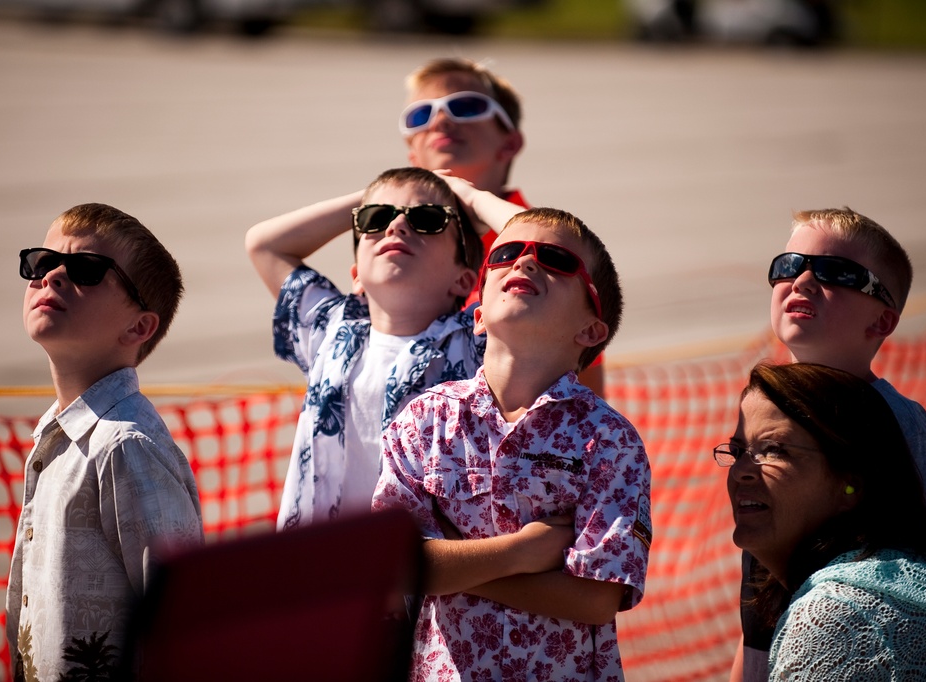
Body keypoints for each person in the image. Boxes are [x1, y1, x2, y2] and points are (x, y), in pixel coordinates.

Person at [373, 207, 652, 680]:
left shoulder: (609, 440)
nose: (524, 263)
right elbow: (391, 564)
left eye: (556, 260)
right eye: (504, 254)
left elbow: (596, 598)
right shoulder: (425, 420)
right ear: (478, 316)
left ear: (590, 330)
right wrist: (522, 552)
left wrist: (454, 567)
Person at [732, 206, 926, 681]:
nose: (803, 281)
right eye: (788, 266)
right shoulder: (763, 407)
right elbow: (758, 605)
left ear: (882, 322)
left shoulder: (902, 423)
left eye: (836, 273)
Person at [245, 167, 522, 529]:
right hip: (317, 575)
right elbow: (264, 244)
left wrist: (470, 197)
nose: (396, 227)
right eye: (376, 219)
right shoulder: (331, 329)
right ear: (357, 274)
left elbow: (554, 244)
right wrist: (370, 197)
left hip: (427, 577)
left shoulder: (479, 340)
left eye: (427, 219)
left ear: (464, 280)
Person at [6, 203, 204, 681]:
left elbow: (183, 624)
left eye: (85, 270)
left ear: (138, 327)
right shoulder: (57, 435)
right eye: (41, 261)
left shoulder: (125, 446)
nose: (51, 276)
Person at [719, 362, 926, 680]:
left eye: (774, 450)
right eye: (737, 451)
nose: (740, 470)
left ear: (851, 486)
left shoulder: (833, 617)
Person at [401, 56, 606, 394]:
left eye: (465, 106)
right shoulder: (391, 244)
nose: (439, 119)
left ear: (509, 143)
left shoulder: (556, 253)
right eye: (420, 115)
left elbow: (586, 400)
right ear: (413, 156)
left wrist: (472, 199)